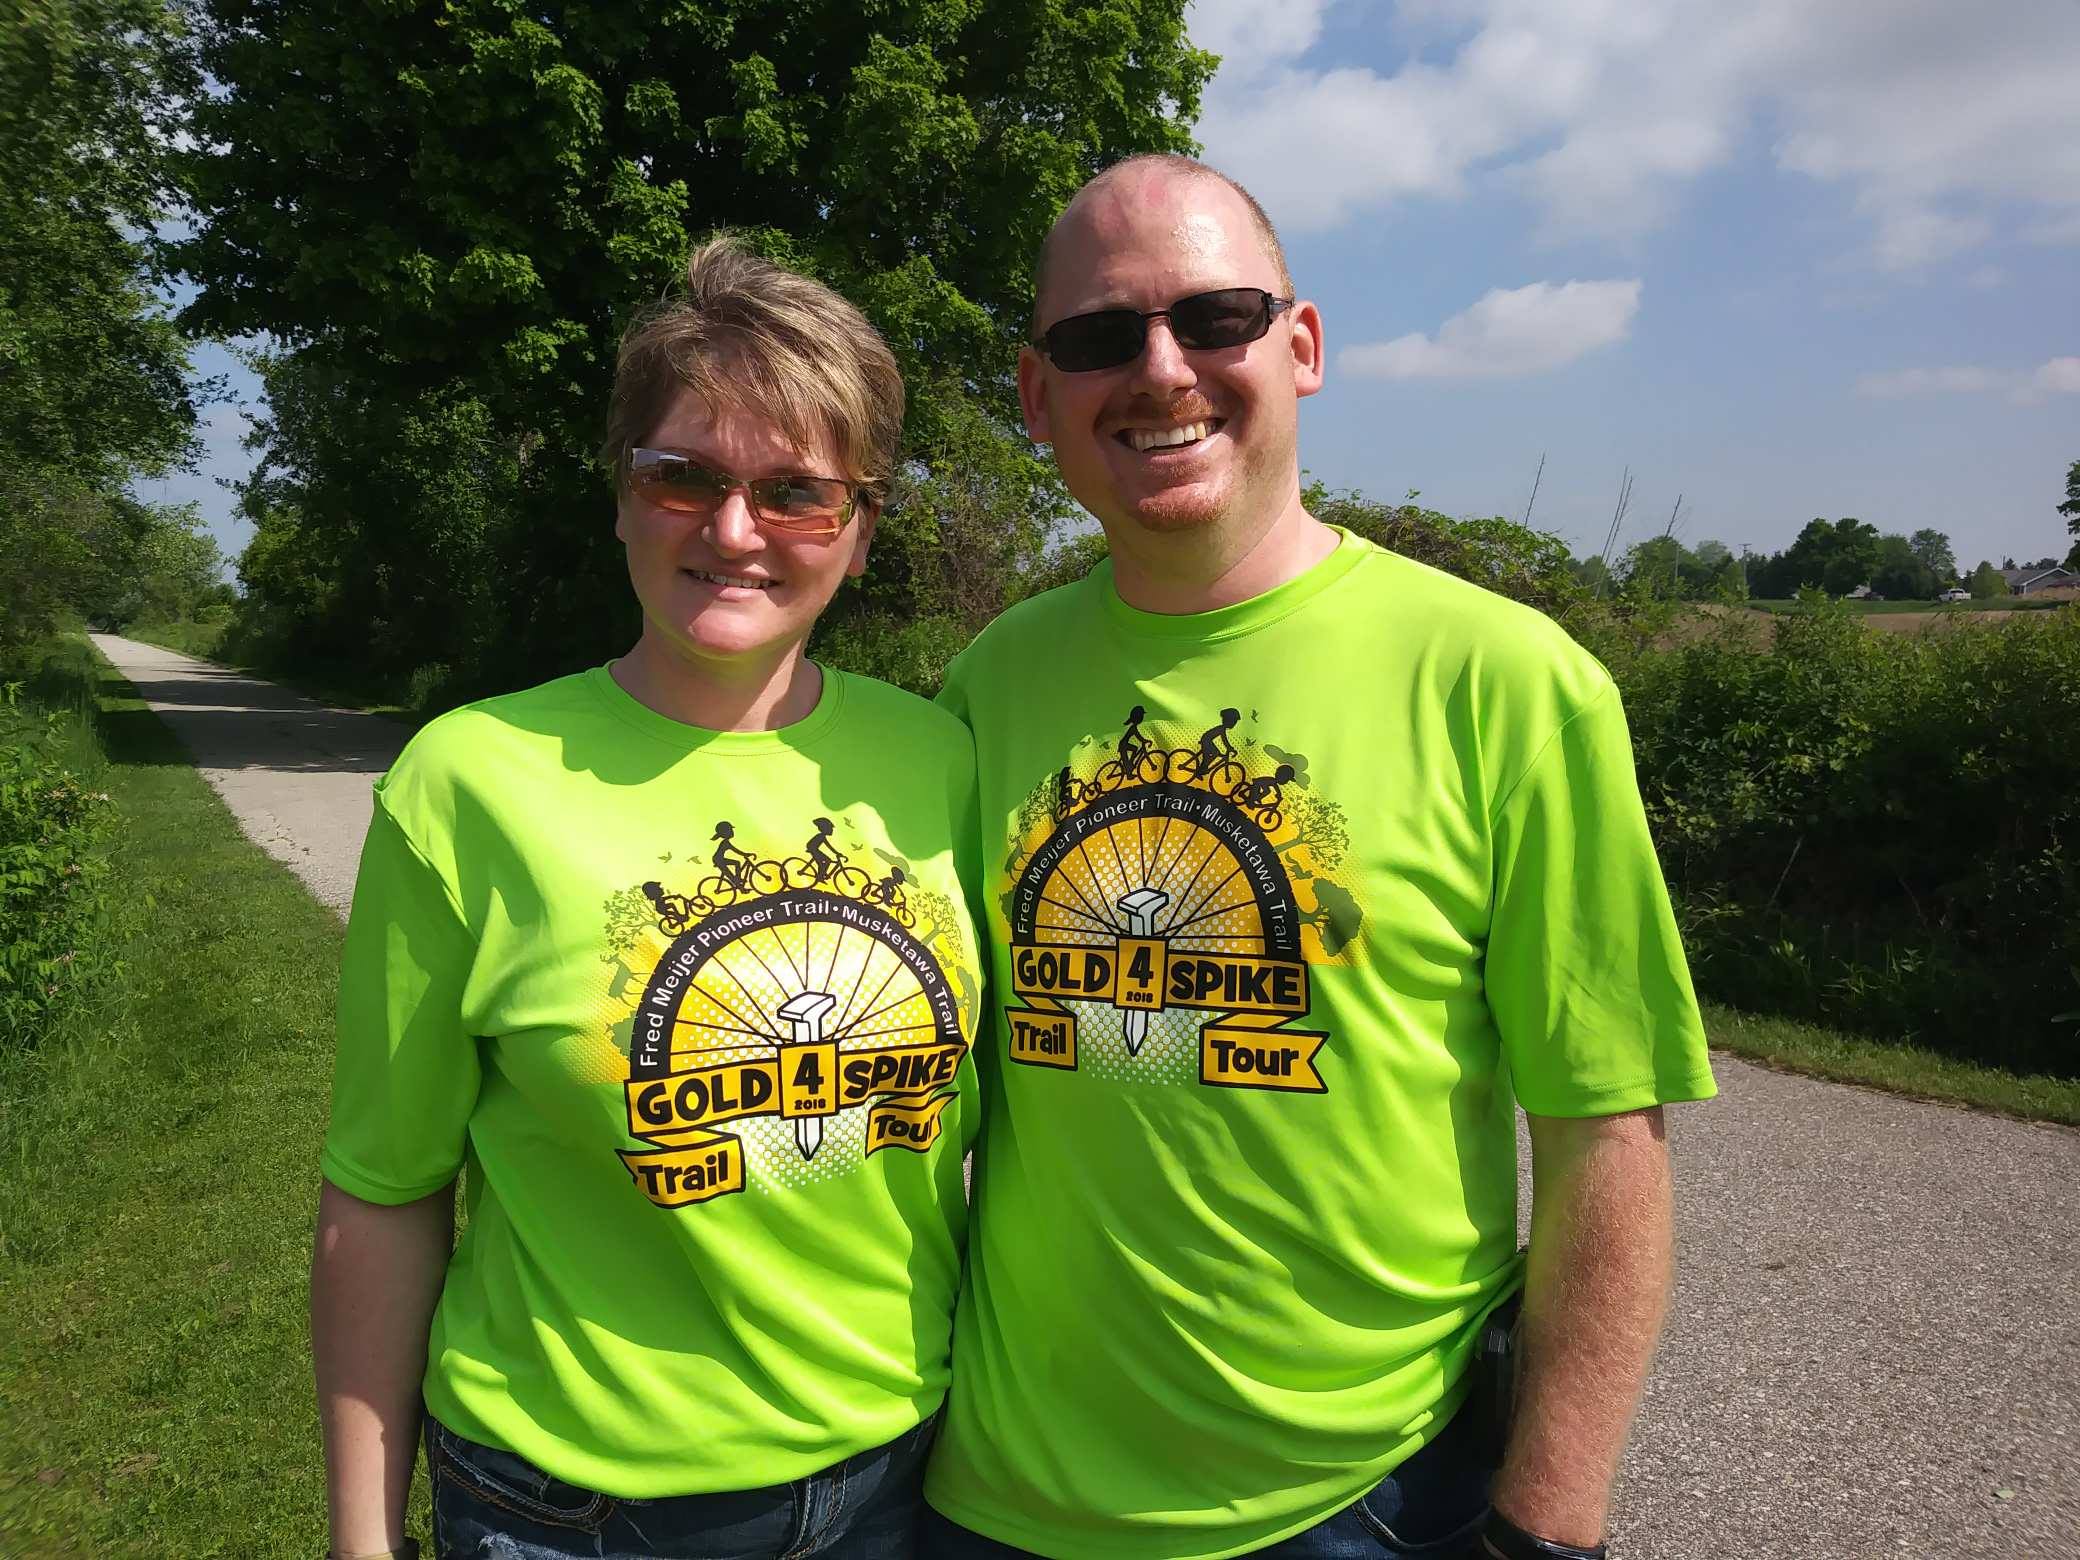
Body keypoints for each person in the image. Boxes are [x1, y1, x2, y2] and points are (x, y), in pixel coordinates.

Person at [921, 155, 1717, 1559]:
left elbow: (1606, 1134)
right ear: (1039, 396)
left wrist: (1549, 1520)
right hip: (997, 1500)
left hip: (1365, 1500)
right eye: (1099, 337)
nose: (1161, 370)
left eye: (1213, 317)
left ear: (1300, 346)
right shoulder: (989, 684)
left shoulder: (1507, 683)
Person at [313, 238, 982, 1560]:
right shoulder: (468, 783)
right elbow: (383, 1191)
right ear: (622, 495)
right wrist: (362, 1541)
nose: (732, 531)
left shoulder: (945, 762)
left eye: (797, 493)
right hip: (565, 1507)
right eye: (684, 476)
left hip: (900, 1480)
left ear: (860, 531)